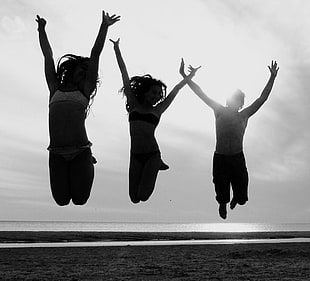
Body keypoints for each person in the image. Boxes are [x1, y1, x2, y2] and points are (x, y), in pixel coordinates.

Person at [36, 11, 120, 206]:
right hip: (56, 151)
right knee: (62, 200)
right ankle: (88, 163)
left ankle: (89, 161)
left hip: (81, 150)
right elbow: (47, 56)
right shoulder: (54, 88)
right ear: (71, 71)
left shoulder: (85, 91)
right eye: (82, 70)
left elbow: (95, 53)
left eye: (87, 72)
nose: (85, 74)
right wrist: (41, 30)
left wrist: (104, 26)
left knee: (80, 200)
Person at [180, 59, 279, 219]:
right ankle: (223, 204)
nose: (234, 102)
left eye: (237, 100)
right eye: (231, 99)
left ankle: (236, 199)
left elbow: (262, 98)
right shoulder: (218, 110)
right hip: (220, 157)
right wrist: (186, 77)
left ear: (240, 104)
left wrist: (272, 77)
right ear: (227, 100)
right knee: (221, 188)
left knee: (242, 199)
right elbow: (200, 93)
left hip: (237, 158)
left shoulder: (244, 115)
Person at [110, 38, 200, 203]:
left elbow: (177, 89)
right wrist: (116, 48)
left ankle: (157, 164)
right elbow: (124, 73)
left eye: (159, 94)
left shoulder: (158, 109)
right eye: (153, 92)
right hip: (135, 155)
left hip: (152, 155)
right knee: (134, 198)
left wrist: (189, 75)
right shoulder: (133, 103)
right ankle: (156, 165)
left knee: (143, 196)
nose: (156, 96)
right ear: (145, 92)